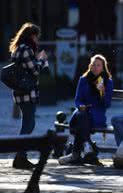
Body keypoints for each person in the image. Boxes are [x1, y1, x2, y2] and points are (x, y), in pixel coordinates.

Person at [58, 54, 113, 165]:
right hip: (82, 112)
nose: (95, 67)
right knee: (82, 116)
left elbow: (106, 104)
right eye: (93, 64)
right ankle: (88, 150)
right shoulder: (83, 79)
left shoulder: (107, 81)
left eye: (98, 65)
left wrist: (102, 93)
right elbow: (78, 99)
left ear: (103, 67)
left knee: (81, 120)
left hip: (97, 115)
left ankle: (77, 154)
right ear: (90, 66)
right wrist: (80, 106)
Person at [9, 22, 49, 169]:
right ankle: (20, 156)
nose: (37, 40)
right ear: (31, 36)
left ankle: (21, 156)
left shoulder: (18, 49)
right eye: (36, 37)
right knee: (28, 124)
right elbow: (35, 70)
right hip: (26, 93)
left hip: (20, 92)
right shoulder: (26, 49)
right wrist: (42, 60)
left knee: (28, 123)